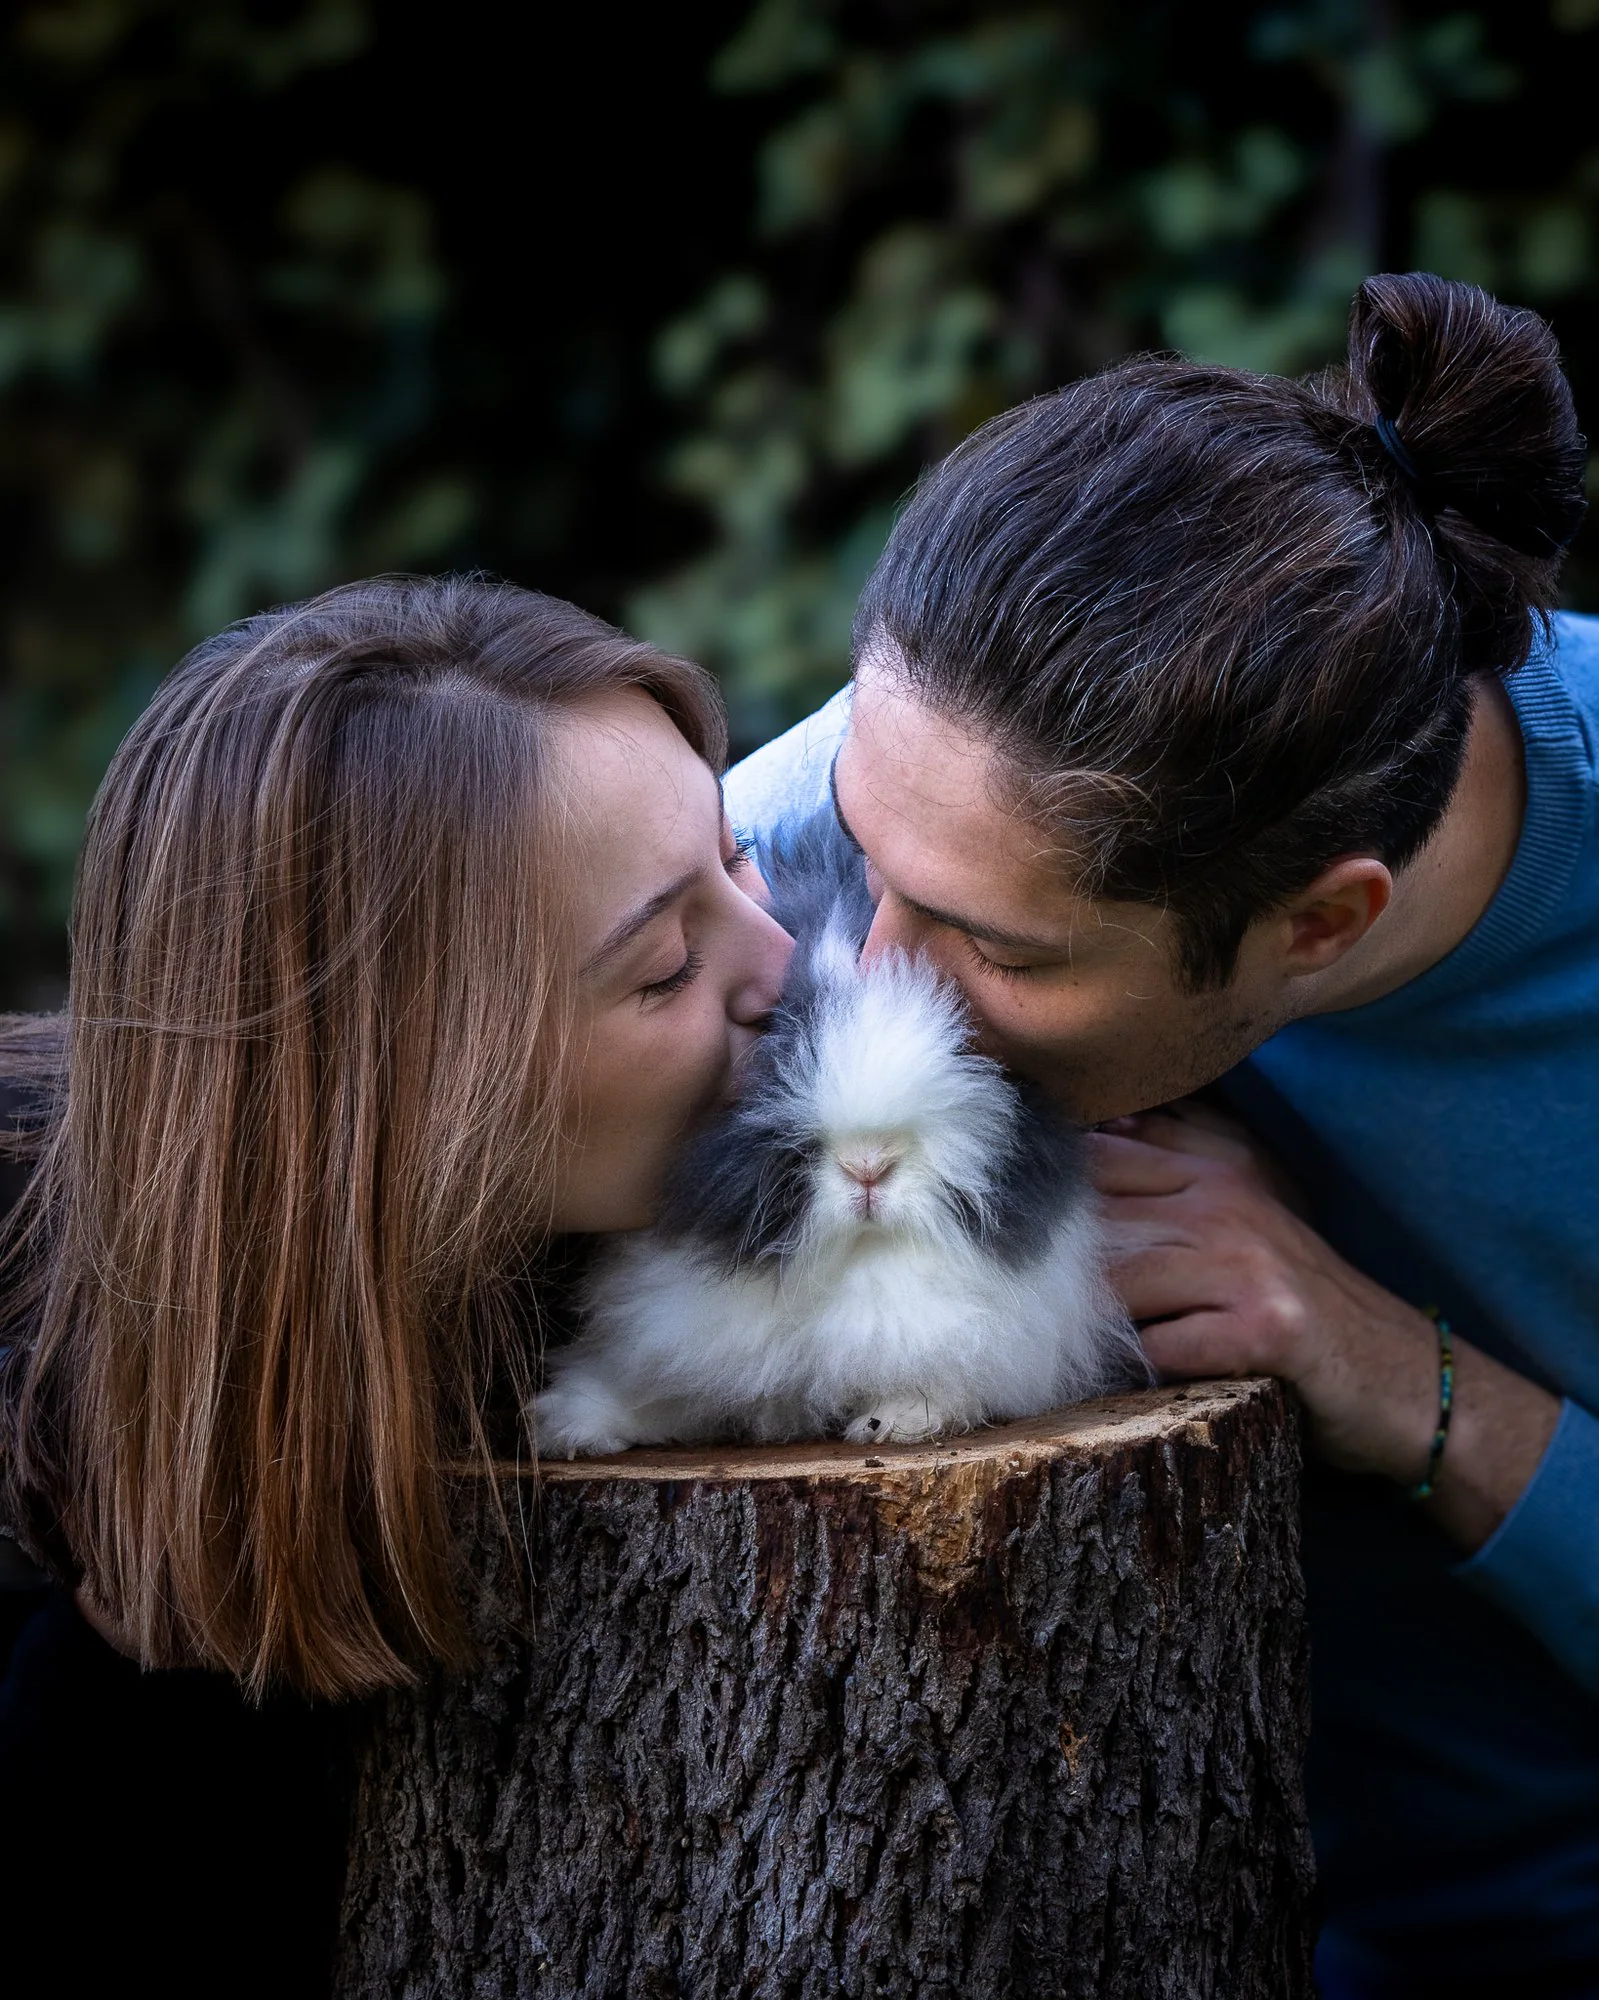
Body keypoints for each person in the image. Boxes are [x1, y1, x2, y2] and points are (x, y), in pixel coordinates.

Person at [726, 272, 1599, 1998]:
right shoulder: (941, 781)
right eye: (863, 856)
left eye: (999, 951)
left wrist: (1386, 1369)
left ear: (1319, 924)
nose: (867, 981)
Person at [0, 575, 790, 1997]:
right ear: (421, 1103)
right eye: (668, 965)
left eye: (740, 858)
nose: (780, 959)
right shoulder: (129, 1732)